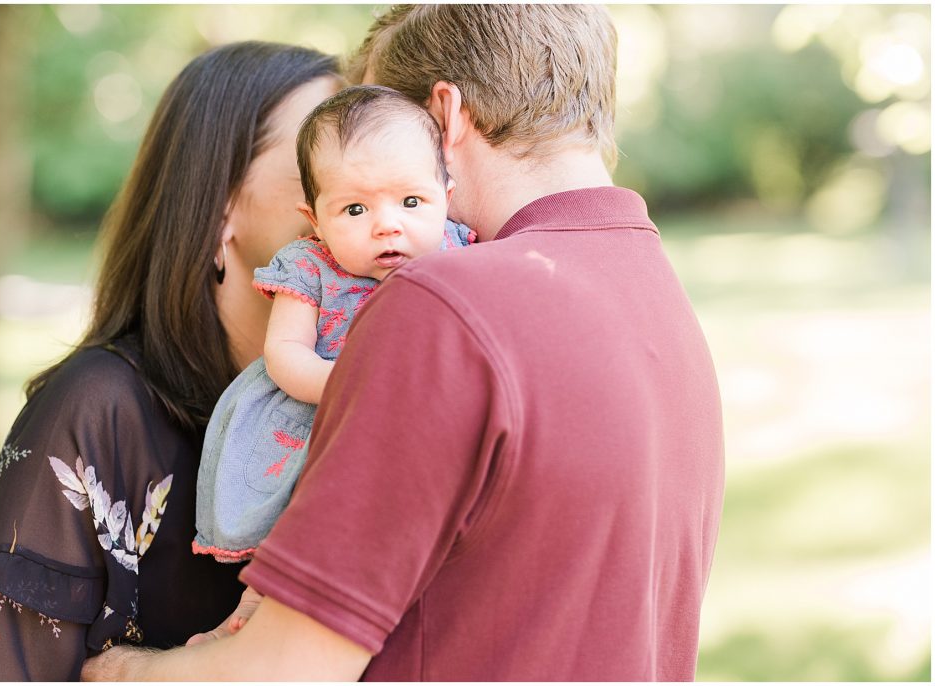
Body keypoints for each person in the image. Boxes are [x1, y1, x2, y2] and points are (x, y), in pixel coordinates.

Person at [82, 5, 725, 681]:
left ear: (443, 118)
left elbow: (280, 670)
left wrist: (117, 672)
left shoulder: (441, 303)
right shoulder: (659, 298)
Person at [0, 41, 342, 680]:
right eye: (323, 171)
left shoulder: (357, 402)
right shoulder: (94, 410)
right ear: (222, 207)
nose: (368, 197)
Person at [192, 85, 471, 563]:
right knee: (297, 520)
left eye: (411, 202)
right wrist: (352, 382)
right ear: (315, 220)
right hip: (318, 411)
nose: (387, 225)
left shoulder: (460, 254)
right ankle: (257, 599)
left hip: (415, 413)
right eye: (355, 210)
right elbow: (284, 352)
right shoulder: (311, 266)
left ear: (446, 198)